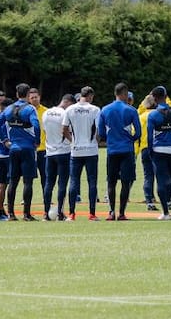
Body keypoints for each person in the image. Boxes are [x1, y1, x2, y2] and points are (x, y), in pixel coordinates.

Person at [97, 81, 141, 221]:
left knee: (111, 182)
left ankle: (111, 212)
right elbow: (138, 132)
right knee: (125, 182)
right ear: (125, 94)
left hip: (112, 150)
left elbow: (101, 132)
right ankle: (122, 213)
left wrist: (109, 139)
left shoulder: (105, 110)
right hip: (127, 149)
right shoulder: (131, 110)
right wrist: (130, 138)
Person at [146, 86, 171, 220]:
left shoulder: (152, 115)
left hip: (159, 151)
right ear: (166, 95)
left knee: (161, 181)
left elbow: (150, 137)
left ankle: (165, 213)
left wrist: (151, 152)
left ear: (155, 98)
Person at [64, 87, 102, 221]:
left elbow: (64, 129)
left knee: (74, 181)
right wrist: (95, 142)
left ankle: (71, 213)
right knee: (92, 181)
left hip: (76, 150)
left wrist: (72, 141)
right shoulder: (95, 109)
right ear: (90, 96)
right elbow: (99, 130)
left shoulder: (70, 109)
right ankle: (92, 214)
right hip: (91, 150)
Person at [5, 83, 42, 221]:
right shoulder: (30, 108)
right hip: (27, 148)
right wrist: (37, 140)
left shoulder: (9, 109)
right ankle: (26, 214)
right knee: (28, 181)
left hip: (13, 148)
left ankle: (11, 214)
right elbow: (36, 125)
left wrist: (4, 140)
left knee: (13, 181)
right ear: (28, 94)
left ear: (16, 94)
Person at [41, 93, 73, 220]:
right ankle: (60, 212)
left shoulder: (46, 113)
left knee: (49, 183)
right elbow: (66, 131)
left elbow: (45, 131)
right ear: (68, 103)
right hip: (63, 151)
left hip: (49, 152)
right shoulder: (65, 114)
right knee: (62, 184)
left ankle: (45, 213)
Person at [137, 93, 159, 212]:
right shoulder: (157, 114)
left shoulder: (141, 116)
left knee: (148, 175)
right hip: (157, 147)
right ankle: (167, 199)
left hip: (144, 147)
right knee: (161, 174)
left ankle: (149, 200)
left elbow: (136, 133)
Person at [28, 86, 49, 187]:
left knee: (45, 175)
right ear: (28, 99)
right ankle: (26, 198)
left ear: (39, 97)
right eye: (32, 98)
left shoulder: (46, 111)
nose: (34, 99)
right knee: (29, 176)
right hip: (30, 149)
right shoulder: (25, 111)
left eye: (36, 97)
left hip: (44, 149)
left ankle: (46, 198)